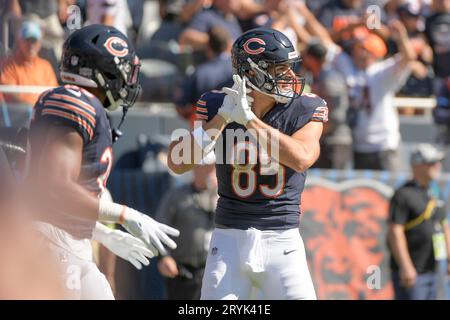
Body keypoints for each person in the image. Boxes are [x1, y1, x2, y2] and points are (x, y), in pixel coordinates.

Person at [168, 27, 328, 299]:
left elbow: (302, 158)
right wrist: (221, 120)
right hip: (229, 239)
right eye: (280, 70)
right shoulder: (217, 103)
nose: (290, 76)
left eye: (290, 68)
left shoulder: (305, 108)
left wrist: (249, 121)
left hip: (283, 240)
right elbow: (177, 161)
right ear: (253, 73)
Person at [26, 24, 179, 299]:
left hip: (68, 240)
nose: (129, 81)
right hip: (52, 244)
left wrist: (100, 233)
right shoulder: (77, 102)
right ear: (105, 70)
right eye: (125, 71)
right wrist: (124, 215)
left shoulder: (80, 102)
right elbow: (55, 187)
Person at [388, 144, 450, 300]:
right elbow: (395, 232)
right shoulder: (403, 194)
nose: (437, 166)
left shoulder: (435, 192)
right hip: (413, 273)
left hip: (433, 271)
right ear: (417, 165)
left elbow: (444, 226)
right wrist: (405, 266)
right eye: (432, 162)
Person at [156, 164, 217, 300]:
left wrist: (216, 194)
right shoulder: (176, 196)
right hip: (183, 274)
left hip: (212, 271)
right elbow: (159, 229)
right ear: (195, 168)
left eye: (213, 168)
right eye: (206, 167)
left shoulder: (221, 198)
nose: (210, 171)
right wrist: (163, 256)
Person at [175, 26, 233, 122]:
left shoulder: (198, 73)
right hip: (236, 131)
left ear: (208, 47)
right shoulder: (239, 71)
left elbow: (180, 107)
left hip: (203, 131)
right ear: (229, 45)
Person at [0, 20, 58, 106]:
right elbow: (10, 96)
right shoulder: (8, 65)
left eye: (34, 41)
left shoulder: (46, 67)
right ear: (20, 42)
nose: (31, 45)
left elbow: (53, 95)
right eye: (27, 40)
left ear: (39, 44)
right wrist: (33, 110)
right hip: (18, 116)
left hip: (43, 115)